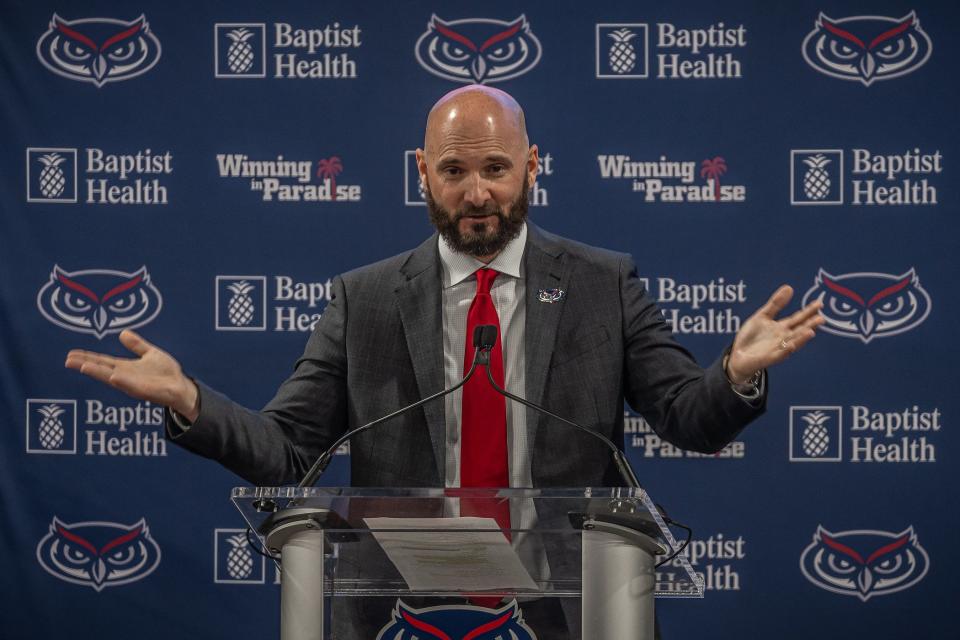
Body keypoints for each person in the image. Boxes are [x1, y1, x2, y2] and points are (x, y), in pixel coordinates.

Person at [65, 85, 823, 638]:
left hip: (572, 614)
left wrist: (734, 374)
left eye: (496, 168)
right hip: (403, 614)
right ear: (421, 171)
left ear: (533, 166)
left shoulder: (603, 283)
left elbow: (687, 419)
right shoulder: (365, 300)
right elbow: (288, 449)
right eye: (455, 172)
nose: (477, 193)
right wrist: (191, 400)